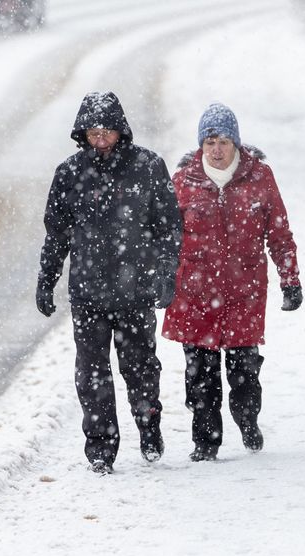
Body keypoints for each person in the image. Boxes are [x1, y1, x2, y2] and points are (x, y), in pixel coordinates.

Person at [36, 91, 182, 475]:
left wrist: (166, 274)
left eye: (107, 132)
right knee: (92, 373)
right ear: (82, 134)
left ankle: (149, 425)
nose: (100, 140)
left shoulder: (149, 167)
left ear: (121, 132)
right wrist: (47, 279)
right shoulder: (69, 174)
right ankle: (101, 447)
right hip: (88, 293)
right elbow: (57, 234)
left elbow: (168, 228)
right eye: (93, 133)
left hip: (135, 291)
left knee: (141, 368)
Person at [162, 103, 302, 462]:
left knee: (244, 375)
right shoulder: (182, 182)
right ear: (201, 146)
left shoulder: (260, 178)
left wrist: (291, 279)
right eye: (210, 142)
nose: (217, 150)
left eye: (224, 141)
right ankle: (205, 441)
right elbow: (164, 239)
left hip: (244, 292)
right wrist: (159, 282)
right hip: (194, 294)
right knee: (200, 377)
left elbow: (279, 233)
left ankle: (247, 419)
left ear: (236, 143)